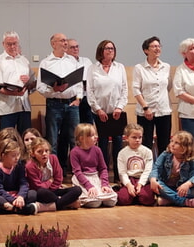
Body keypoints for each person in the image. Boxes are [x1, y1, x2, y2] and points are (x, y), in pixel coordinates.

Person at [37, 33, 82, 172]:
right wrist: (54, 89)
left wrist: (78, 99)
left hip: (71, 104)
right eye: (62, 40)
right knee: (53, 140)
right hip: (54, 104)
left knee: (75, 139)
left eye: (65, 40)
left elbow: (79, 82)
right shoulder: (46, 63)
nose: (65, 43)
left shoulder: (72, 61)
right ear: (53, 44)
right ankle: (53, 172)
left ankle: (76, 172)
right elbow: (40, 87)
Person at [86, 40, 128, 181]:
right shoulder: (93, 68)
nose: (110, 50)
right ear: (101, 51)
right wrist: (98, 109)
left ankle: (118, 175)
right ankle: (103, 176)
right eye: (107, 48)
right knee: (102, 146)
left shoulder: (119, 67)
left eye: (112, 48)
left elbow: (124, 90)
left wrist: (119, 107)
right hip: (100, 113)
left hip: (116, 113)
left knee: (118, 145)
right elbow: (90, 91)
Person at [132, 36, 172, 156]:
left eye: (159, 46)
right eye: (154, 46)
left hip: (163, 110)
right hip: (145, 112)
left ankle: (163, 172)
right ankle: (147, 172)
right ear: (146, 50)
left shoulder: (166, 67)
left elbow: (168, 86)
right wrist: (145, 107)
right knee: (146, 143)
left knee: (164, 143)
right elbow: (136, 89)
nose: (157, 48)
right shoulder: (139, 68)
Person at [0, 31, 33, 135]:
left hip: (24, 106)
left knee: (26, 138)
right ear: (3, 44)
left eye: (15, 43)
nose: (12, 46)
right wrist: (15, 93)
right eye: (9, 44)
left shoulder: (24, 61)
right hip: (7, 108)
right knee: (7, 140)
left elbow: (33, 83)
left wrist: (29, 81)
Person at [149, 131, 194, 208]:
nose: (172, 144)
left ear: (185, 147)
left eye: (176, 143)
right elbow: (156, 168)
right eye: (171, 141)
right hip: (166, 186)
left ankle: (169, 200)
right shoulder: (165, 155)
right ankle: (185, 202)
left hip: (181, 188)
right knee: (158, 184)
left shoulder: (191, 160)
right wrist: (153, 179)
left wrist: (187, 184)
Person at [26, 137, 81, 211]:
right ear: (33, 154)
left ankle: (56, 204)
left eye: (46, 151)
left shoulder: (53, 159)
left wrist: (52, 188)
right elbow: (38, 186)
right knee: (42, 192)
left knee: (77, 190)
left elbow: (59, 178)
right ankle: (66, 203)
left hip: (54, 190)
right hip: (41, 193)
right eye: (40, 152)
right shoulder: (30, 166)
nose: (44, 154)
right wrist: (49, 181)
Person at [0, 139, 38, 215]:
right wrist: (13, 200)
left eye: (18, 155)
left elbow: (23, 183)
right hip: (4, 197)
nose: (17, 158)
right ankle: (21, 209)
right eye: (13, 156)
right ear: (3, 156)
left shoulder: (19, 166)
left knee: (32, 193)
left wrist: (20, 196)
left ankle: (1, 210)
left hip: (17, 195)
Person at [70, 123, 117, 207]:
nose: (96, 137)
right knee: (94, 203)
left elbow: (103, 169)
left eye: (95, 134)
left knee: (110, 201)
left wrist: (105, 184)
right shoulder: (74, 152)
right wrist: (88, 186)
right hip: (82, 179)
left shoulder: (97, 150)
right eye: (92, 135)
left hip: (95, 177)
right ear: (81, 138)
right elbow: (77, 172)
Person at [116, 124, 155, 206]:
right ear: (126, 138)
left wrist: (140, 184)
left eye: (140, 137)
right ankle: (131, 194)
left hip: (143, 179)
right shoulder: (122, 153)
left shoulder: (147, 151)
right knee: (123, 199)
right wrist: (129, 185)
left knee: (147, 199)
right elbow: (122, 172)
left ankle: (138, 195)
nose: (137, 140)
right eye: (134, 137)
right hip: (130, 179)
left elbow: (148, 171)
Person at [67, 38, 93, 124]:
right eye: (72, 47)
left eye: (77, 46)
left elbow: (93, 77)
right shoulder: (64, 62)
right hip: (72, 97)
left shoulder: (86, 61)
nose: (75, 49)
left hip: (86, 97)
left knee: (88, 125)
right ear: (66, 49)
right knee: (74, 126)